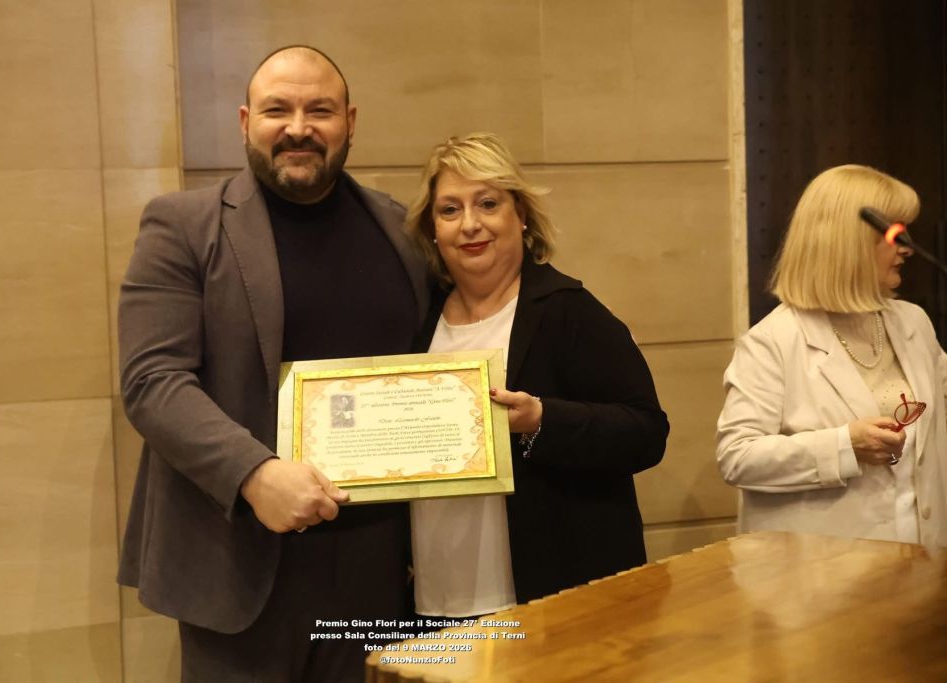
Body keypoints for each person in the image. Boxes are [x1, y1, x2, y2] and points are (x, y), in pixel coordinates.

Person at [116, 45, 428, 682]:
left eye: (321, 110)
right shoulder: (182, 225)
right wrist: (256, 474)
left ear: (351, 120)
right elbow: (152, 382)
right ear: (243, 121)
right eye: (277, 110)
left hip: (378, 570)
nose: (299, 128)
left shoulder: (401, 228)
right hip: (239, 563)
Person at [403, 132, 669, 616]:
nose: (470, 225)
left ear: (520, 215)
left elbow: (646, 433)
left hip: (546, 595)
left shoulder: (569, 312)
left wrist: (541, 420)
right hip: (438, 592)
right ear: (432, 230)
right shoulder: (419, 323)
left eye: (488, 203)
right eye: (449, 210)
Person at [716, 164, 947, 546]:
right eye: (894, 235)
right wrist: (844, 445)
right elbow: (737, 458)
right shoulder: (773, 341)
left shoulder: (912, 322)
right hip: (821, 578)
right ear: (849, 243)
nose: (907, 249)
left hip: (922, 562)